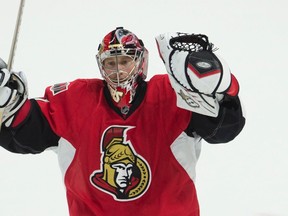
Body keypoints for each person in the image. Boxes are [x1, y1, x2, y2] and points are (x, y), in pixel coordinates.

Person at [0, 27, 245, 216]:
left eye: (125, 61)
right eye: (110, 62)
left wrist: (217, 92)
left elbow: (224, 130)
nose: (118, 69)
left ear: (140, 61)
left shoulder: (171, 94)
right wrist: (8, 107)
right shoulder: (74, 101)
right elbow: (25, 132)